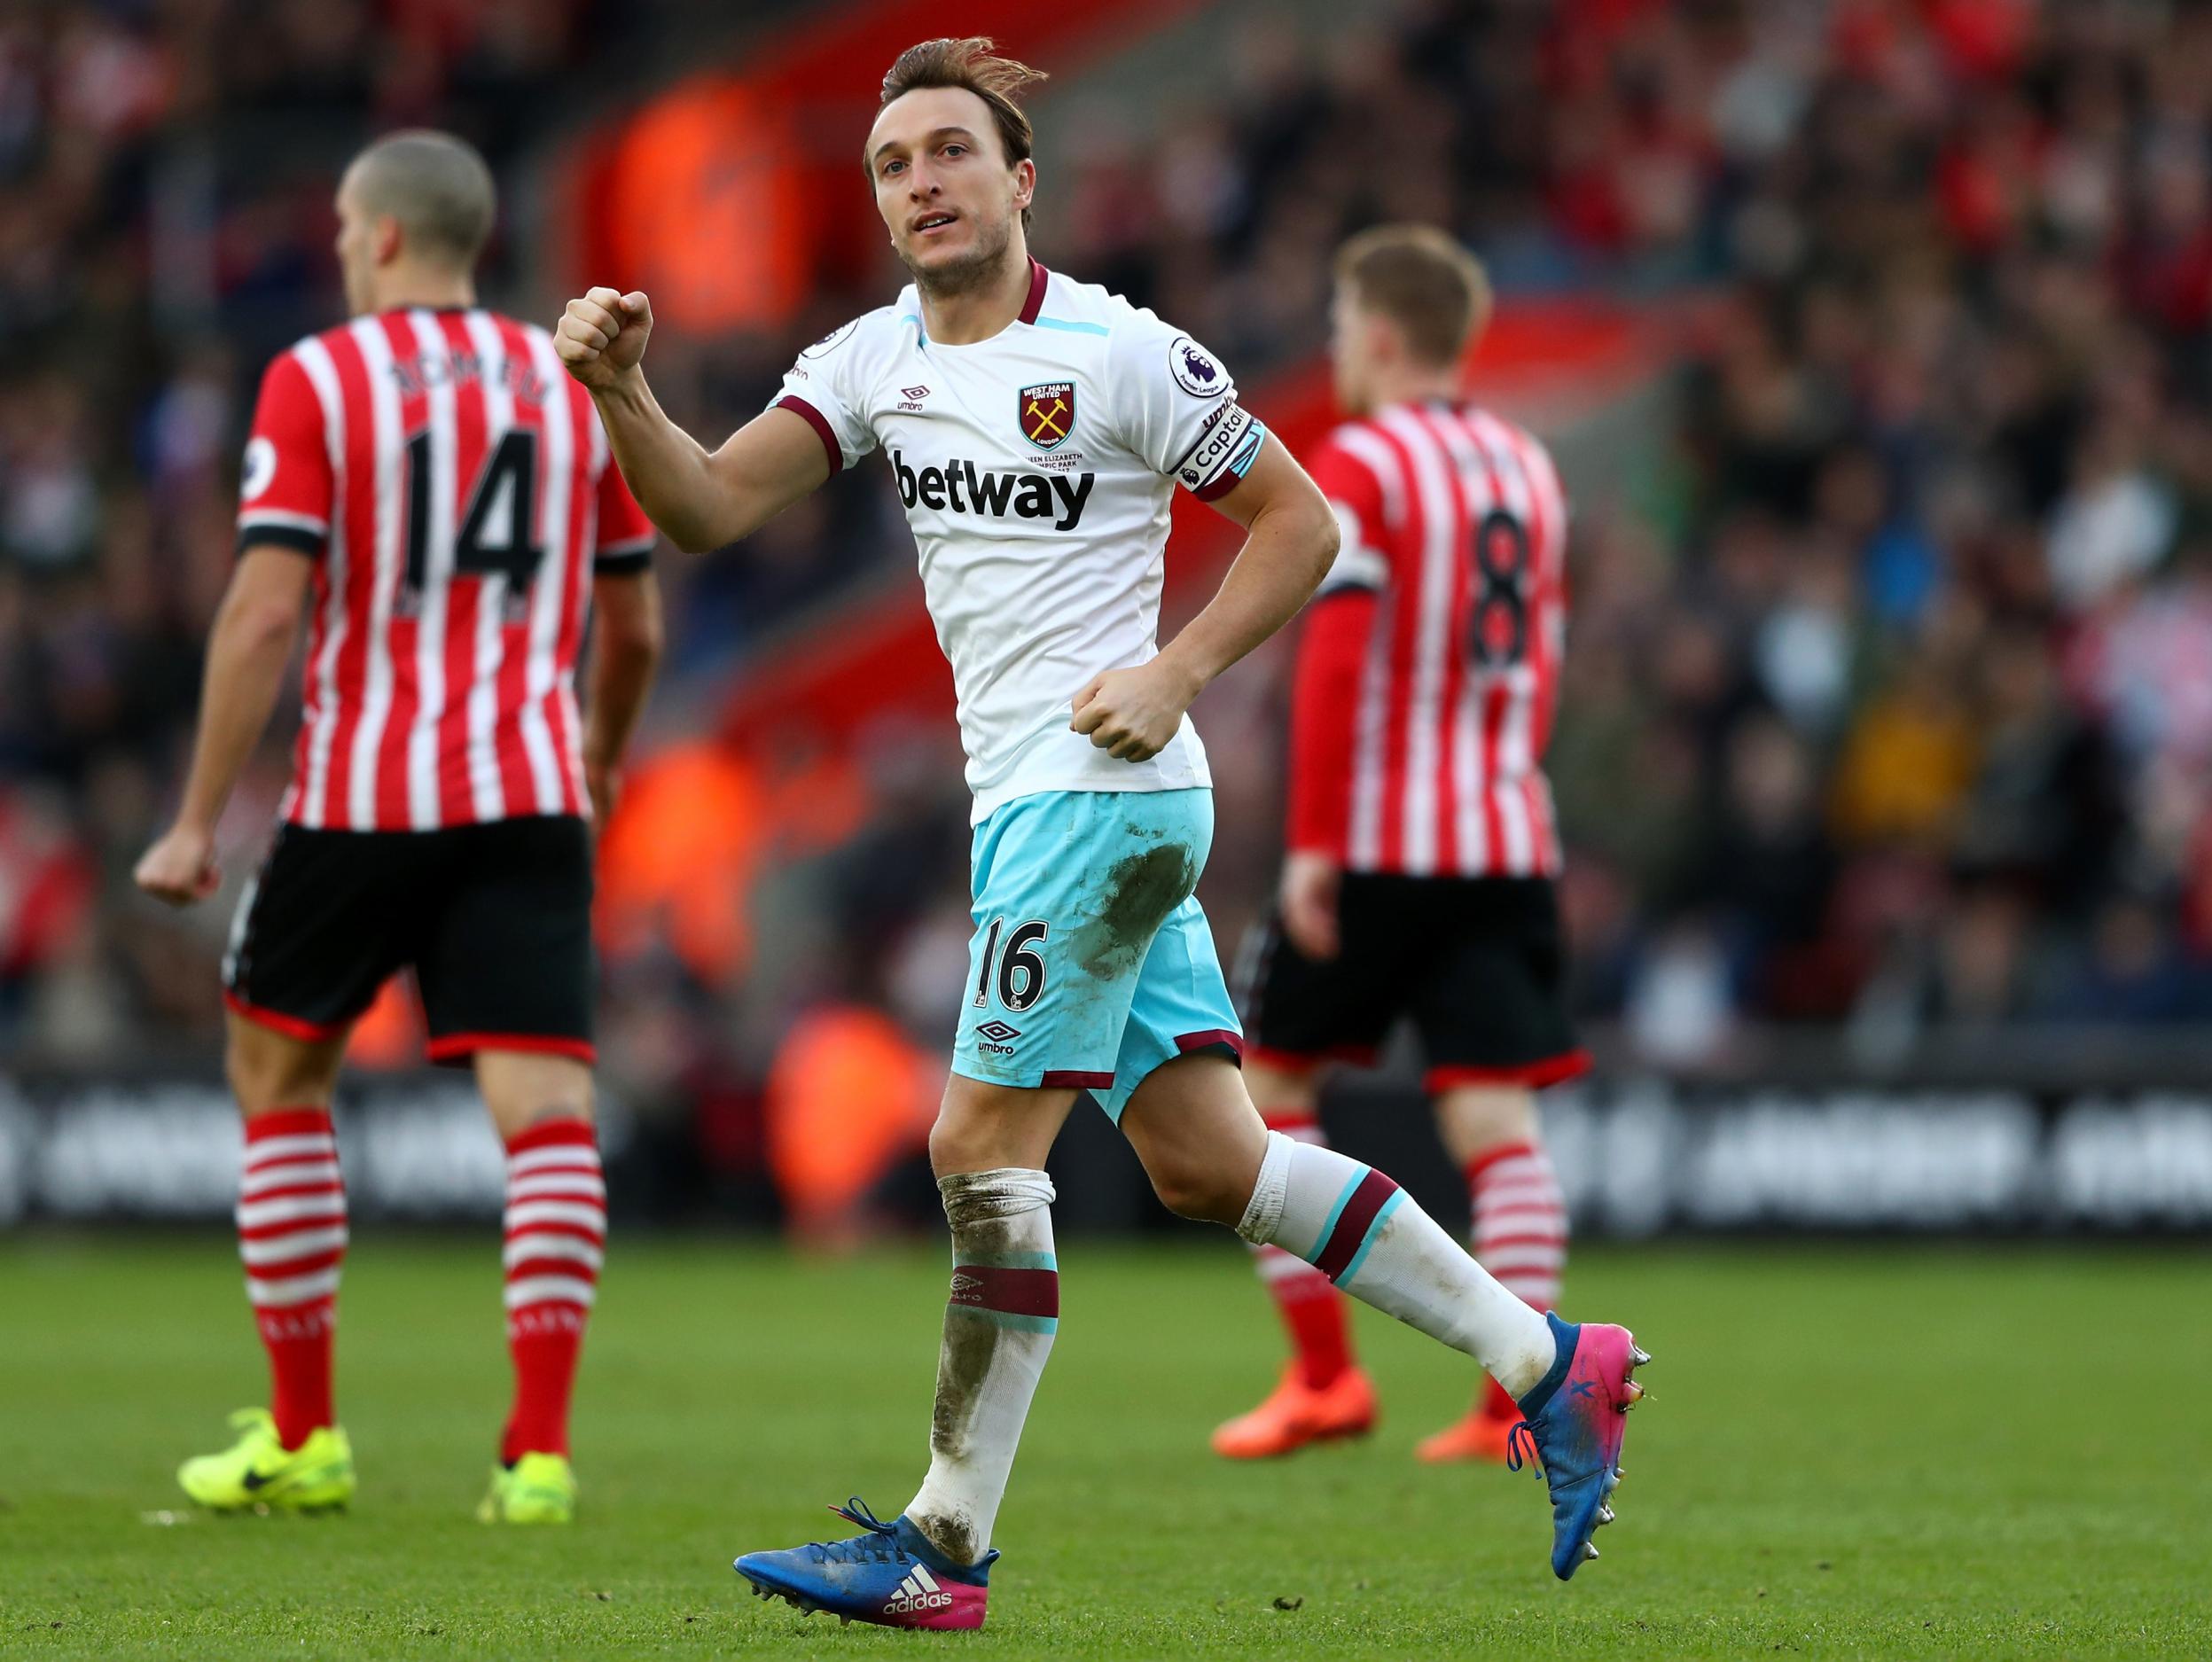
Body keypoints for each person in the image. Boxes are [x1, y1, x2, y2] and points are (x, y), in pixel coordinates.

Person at [555, 37, 1645, 1629]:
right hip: (1051, 808)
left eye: (950, 154)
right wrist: (624, 393)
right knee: (1213, 1165)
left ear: (1020, 180)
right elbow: (711, 508)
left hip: (1100, 795)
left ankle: (943, 1546)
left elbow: (1304, 522)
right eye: (893, 165)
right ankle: (1551, 1361)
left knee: (974, 1149)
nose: (922, 183)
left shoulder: (1126, 354)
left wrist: (1179, 664)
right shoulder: (870, 362)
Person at [135, 130, 663, 1525]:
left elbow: (262, 609)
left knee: (278, 1074)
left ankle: (306, 1436)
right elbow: (636, 619)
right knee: (546, 1116)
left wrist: (195, 820)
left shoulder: (319, 378)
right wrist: (600, 754)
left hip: (367, 791)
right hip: (535, 789)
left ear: (374, 236)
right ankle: (538, 1455)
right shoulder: (569, 384)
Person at [1215, 226, 1588, 1467]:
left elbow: (1332, 665)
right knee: (1498, 1120)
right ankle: (1512, 1401)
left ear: (1379, 335)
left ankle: (1325, 1378)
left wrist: (1313, 845)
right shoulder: (1527, 464)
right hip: (1503, 830)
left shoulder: (1364, 465)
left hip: (1376, 840)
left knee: (1264, 1099)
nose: (1335, 352)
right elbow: (1542, 660)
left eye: (1337, 329)